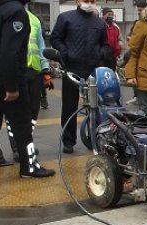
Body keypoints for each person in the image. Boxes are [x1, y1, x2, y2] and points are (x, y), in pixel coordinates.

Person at [0, 0, 54, 178]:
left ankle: (28, 166)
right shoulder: (15, 12)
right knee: (22, 126)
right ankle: (29, 167)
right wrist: (12, 86)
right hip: (8, 81)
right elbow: (11, 51)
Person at [50, 0, 110, 153]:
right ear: (77, 1)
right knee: (69, 105)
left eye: (91, 1)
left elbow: (105, 44)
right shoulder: (66, 18)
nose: (88, 3)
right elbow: (55, 38)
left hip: (93, 68)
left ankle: (96, 138)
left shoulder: (99, 23)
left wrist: (100, 54)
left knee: (96, 105)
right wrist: (65, 53)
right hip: (72, 67)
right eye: (85, 0)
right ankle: (68, 141)